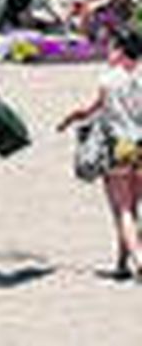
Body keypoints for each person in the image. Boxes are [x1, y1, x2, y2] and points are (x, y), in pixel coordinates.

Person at [58, 26, 142, 278]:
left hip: (119, 145)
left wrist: (69, 119)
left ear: (120, 50)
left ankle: (138, 258)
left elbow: (91, 109)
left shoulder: (109, 78)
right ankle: (121, 263)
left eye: (112, 47)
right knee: (132, 207)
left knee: (123, 209)